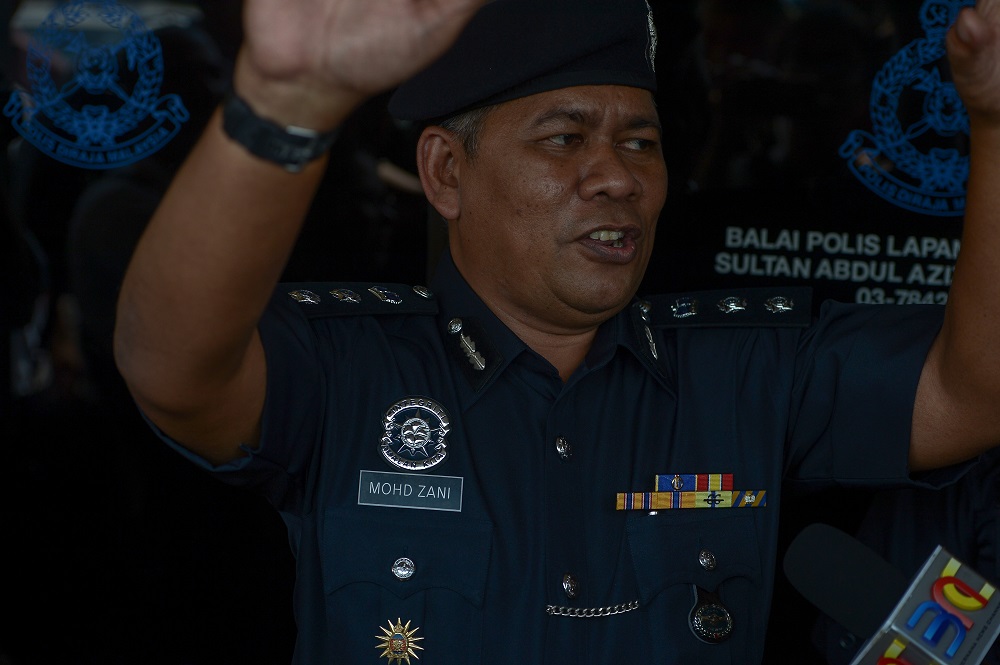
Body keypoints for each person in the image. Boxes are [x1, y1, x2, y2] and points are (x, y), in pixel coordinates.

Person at [112, 0, 1000, 663]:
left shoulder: (749, 367)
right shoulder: (352, 369)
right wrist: (289, 100)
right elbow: (172, 364)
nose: (616, 177)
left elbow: (971, 393)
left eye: (641, 144)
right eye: (566, 138)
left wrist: (994, 121)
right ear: (447, 171)